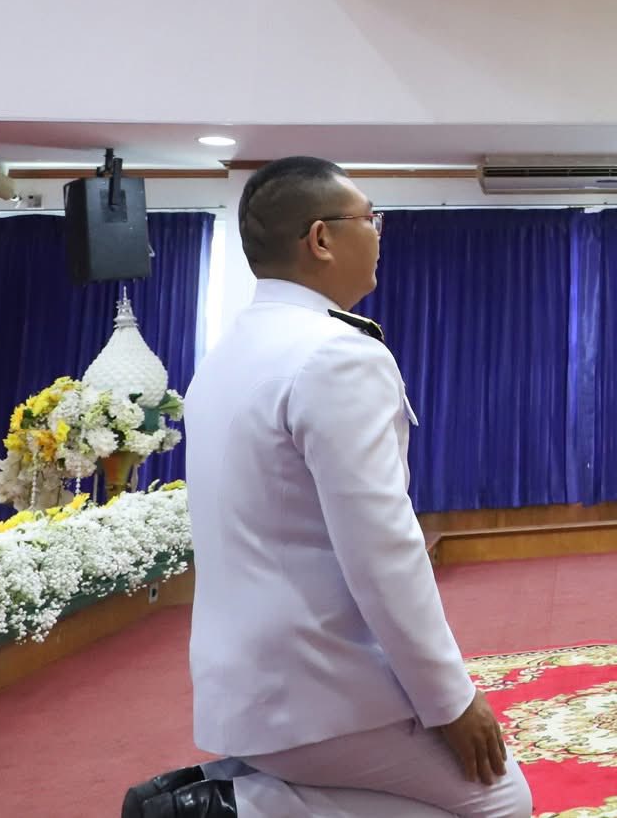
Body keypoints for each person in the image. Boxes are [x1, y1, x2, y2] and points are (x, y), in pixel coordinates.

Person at [124, 158, 530, 818]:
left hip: (241, 687)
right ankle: (236, 807)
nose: (378, 232)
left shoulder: (230, 351)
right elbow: (384, 550)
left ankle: (229, 788)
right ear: (321, 238)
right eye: (370, 217)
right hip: (319, 688)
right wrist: (451, 699)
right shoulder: (337, 355)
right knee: (500, 801)